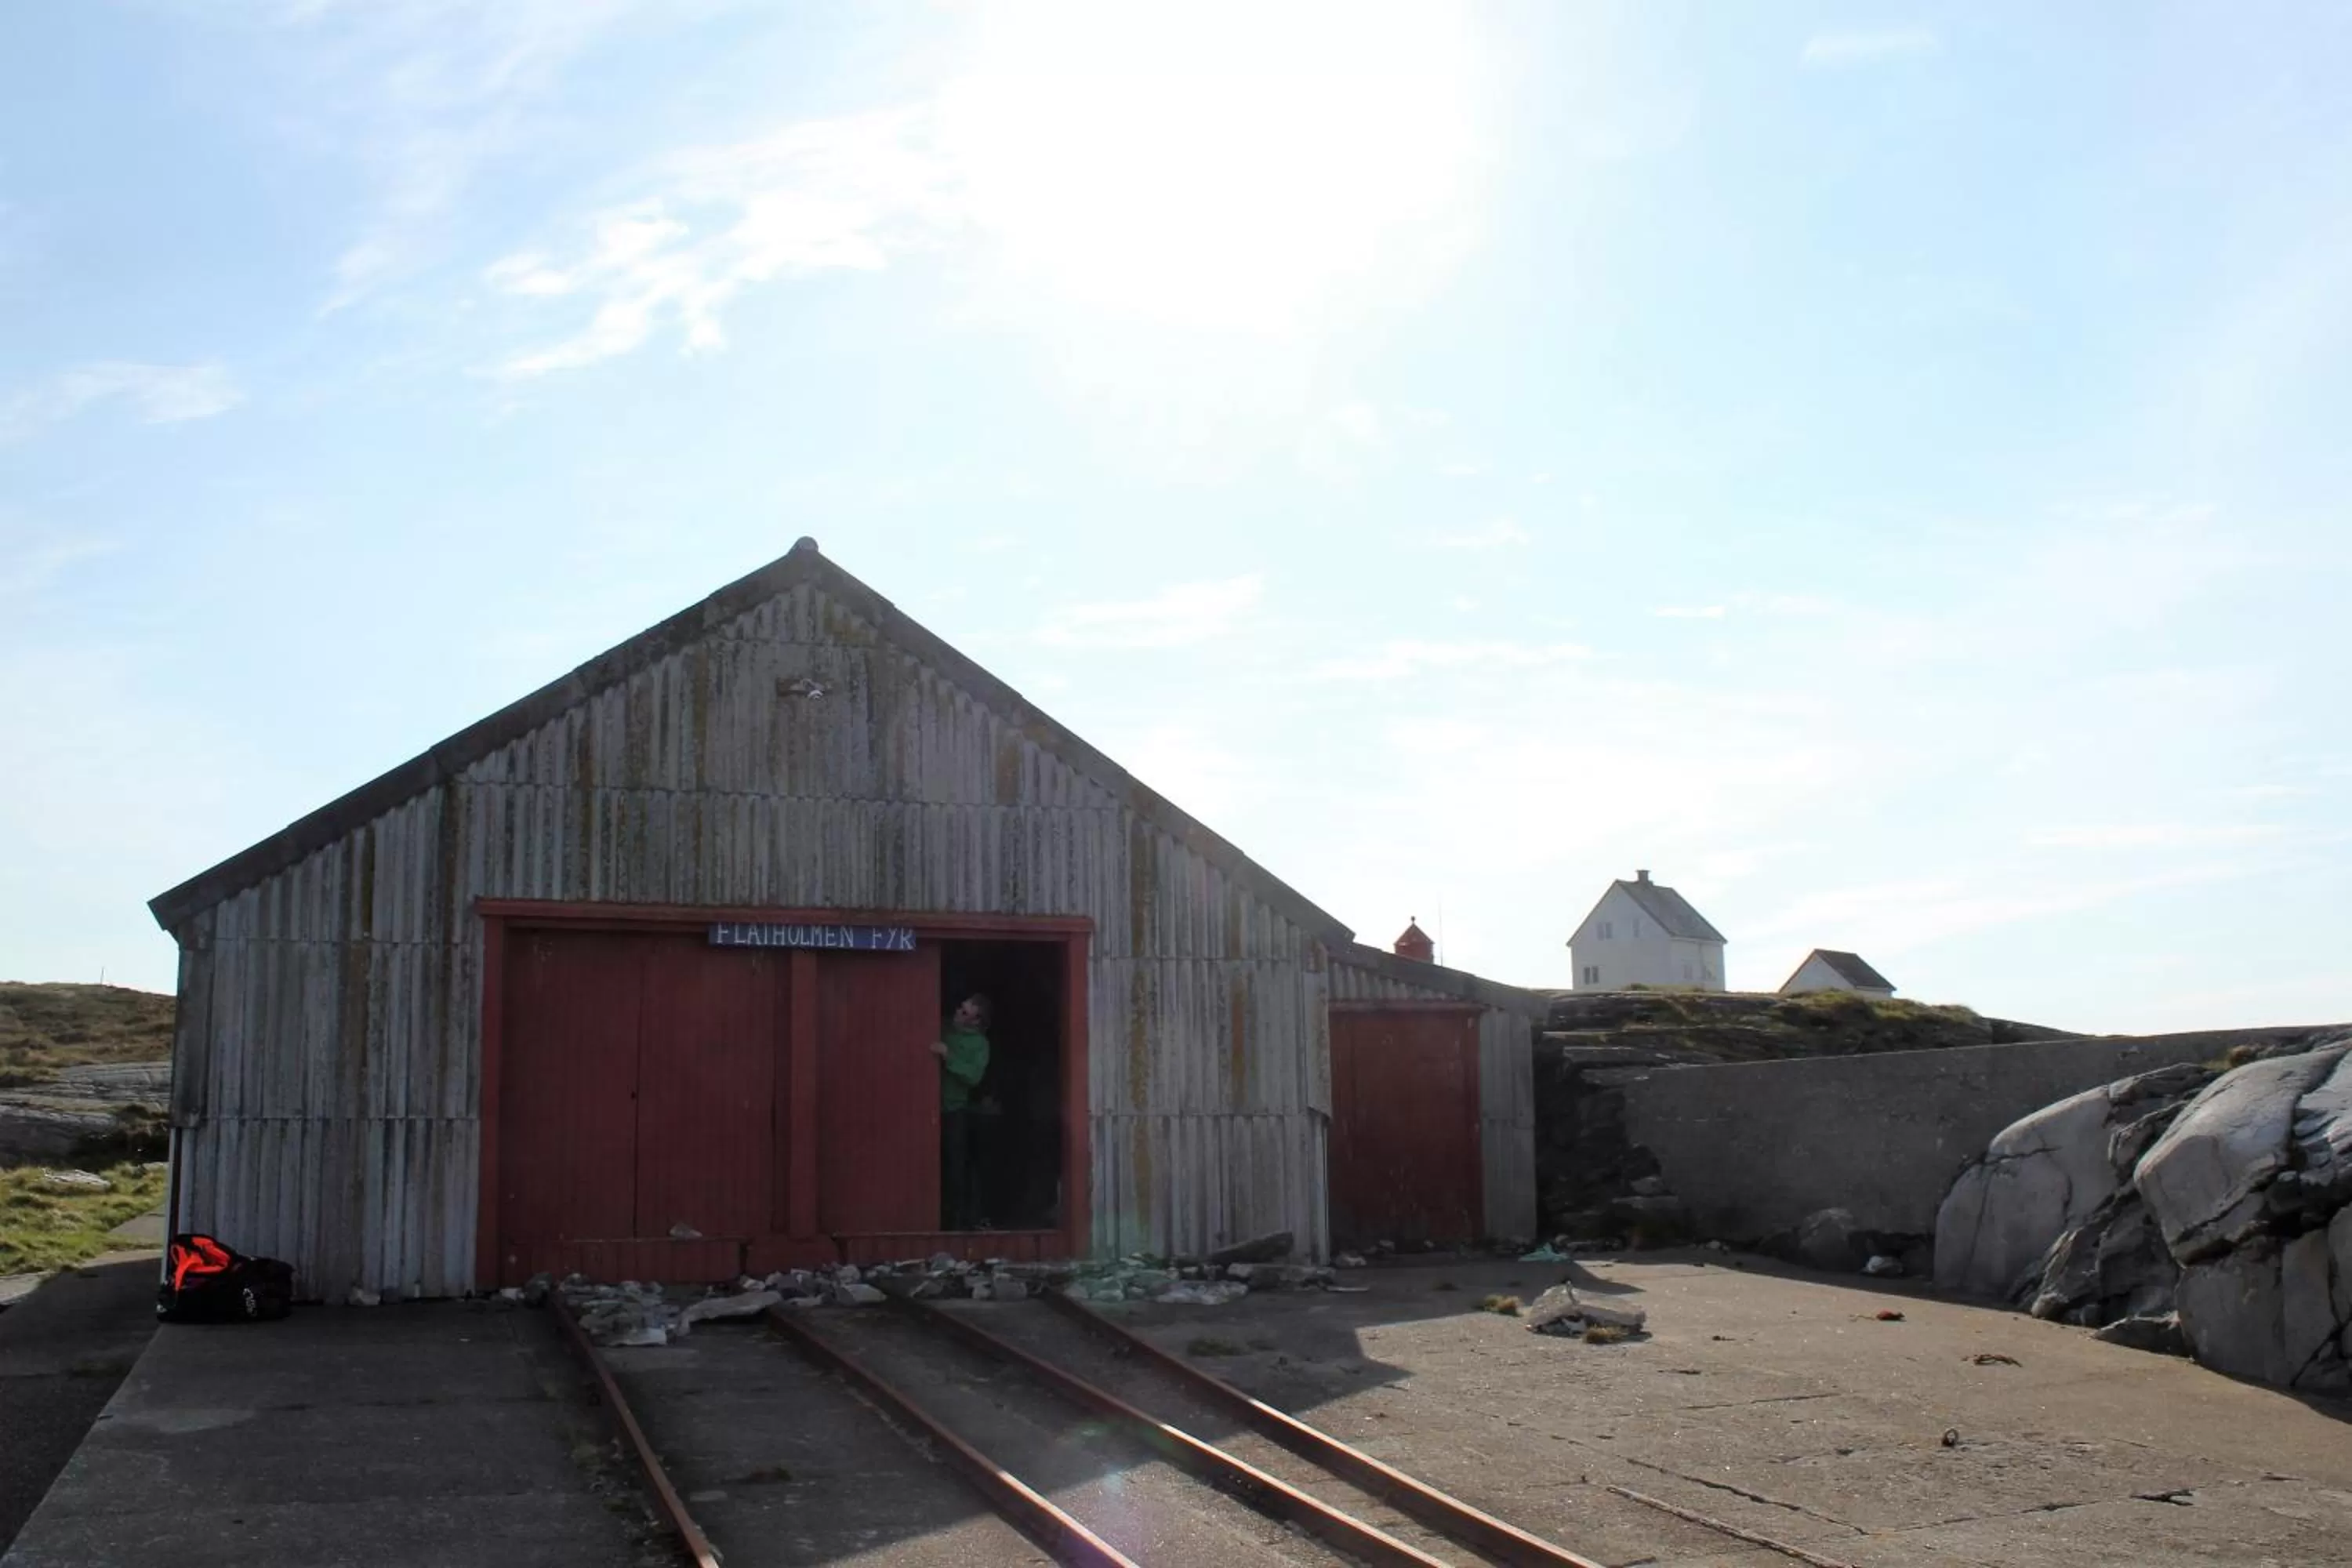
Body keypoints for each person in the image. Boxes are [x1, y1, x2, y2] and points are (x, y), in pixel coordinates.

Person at [931, 993, 991, 1229]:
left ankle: (955, 1223)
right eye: (960, 1009)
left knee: (955, 1168)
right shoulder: (942, 1027)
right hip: (927, 1109)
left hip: (953, 1110)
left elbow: (973, 1076)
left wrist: (948, 1056)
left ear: (976, 1022)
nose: (958, 1013)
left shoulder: (980, 1045)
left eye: (965, 1013)